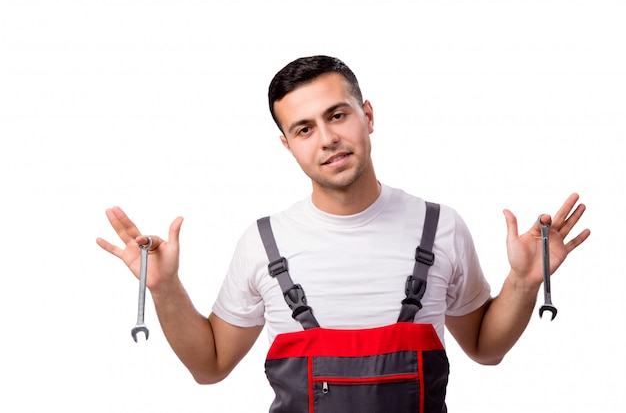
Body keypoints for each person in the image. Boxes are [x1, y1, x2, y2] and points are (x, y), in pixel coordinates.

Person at [97, 55, 590, 411]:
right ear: (287, 144)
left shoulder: (440, 228)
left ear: (367, 116)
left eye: (337, 115)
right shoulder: (262, 242)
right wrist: (163, 288)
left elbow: (487, 350)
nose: (328, 138)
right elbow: (210, 367)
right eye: (304, 128)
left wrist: (525, 282)